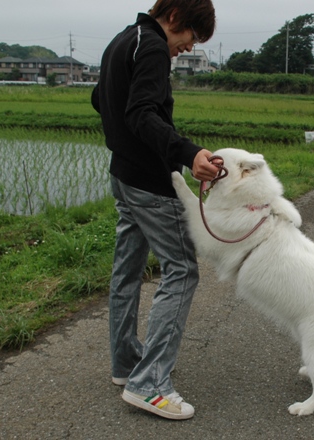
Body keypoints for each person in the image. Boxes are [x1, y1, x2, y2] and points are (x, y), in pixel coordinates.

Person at [91, 0, 219, 420]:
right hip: (148, 183)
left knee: (126, 270)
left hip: (123, 176)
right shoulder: (151, 47)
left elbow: (99, 99)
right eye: (191, 38)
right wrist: (188, 152)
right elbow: (143, 112)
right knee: (182, 270)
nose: (187, 47)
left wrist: (126, 140)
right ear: (177, 19)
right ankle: (150, 384)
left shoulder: (122, 40)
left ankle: (127, 363)